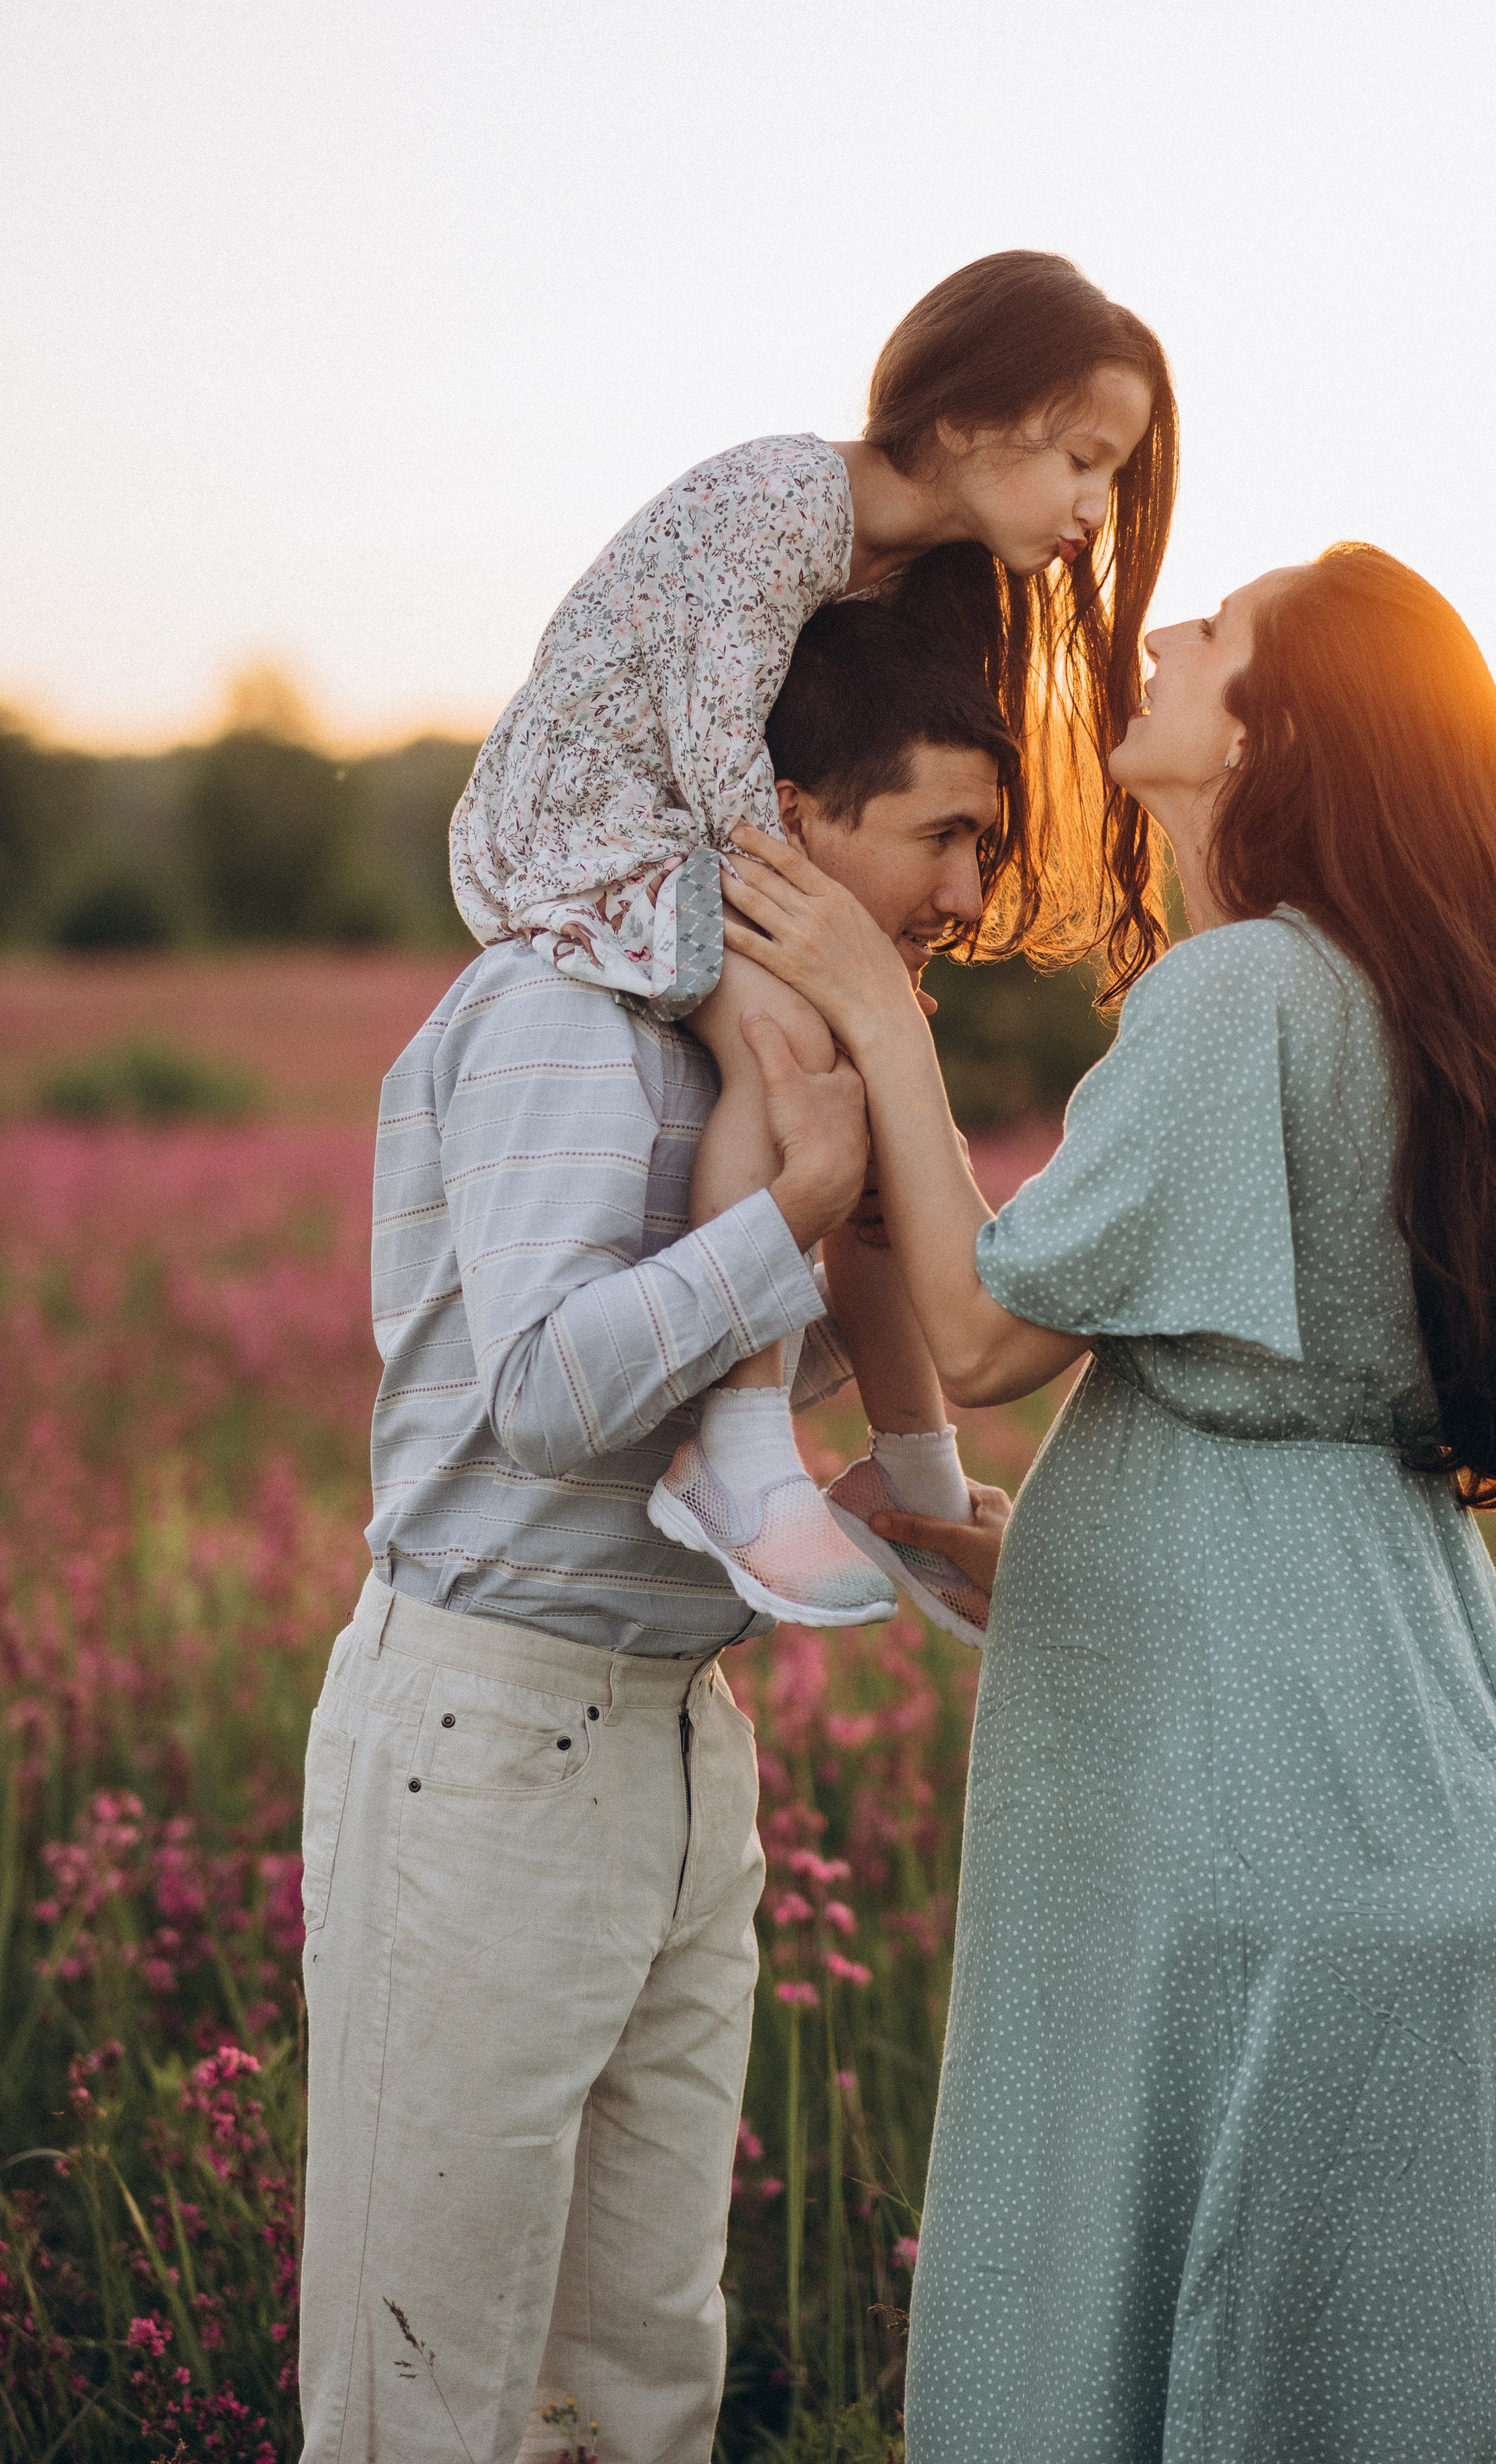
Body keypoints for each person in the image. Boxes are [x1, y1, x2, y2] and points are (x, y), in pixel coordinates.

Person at [721, 544, 1496, 2463]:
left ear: (1275, 731)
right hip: (1402, 1731)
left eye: (1216, 631)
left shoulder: (1240, 996)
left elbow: (971, 1341)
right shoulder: (1406, 994)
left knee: (1159, 2320)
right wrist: (1044, 1557)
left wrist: (878, 1012)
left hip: (1257, 1816)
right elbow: (1254, 1398)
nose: (1166, 632)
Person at [299, 599, 1018, 2464]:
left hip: (679, 1742)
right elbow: (541, 1396)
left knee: (639, 2372)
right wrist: (788, 1214)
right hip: (489, 1730)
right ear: (785, 821)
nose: (964, 886)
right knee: (429, 2381)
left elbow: (805, 1335)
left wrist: (893, 1470)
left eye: (988, 846)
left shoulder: (786, 1059)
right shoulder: (563, 1015)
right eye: (939, 833)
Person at [448, 249, 1175, 1621]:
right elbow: (725, 752)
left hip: (690, 827)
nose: (1095, 505)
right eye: (1082, 459)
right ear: (964, 422)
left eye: (1111, 477)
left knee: (880, 1089)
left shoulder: (916, 577)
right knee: (786, 1034)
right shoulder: (786, 498)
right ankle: (736, 1450)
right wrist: (825, 952)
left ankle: (918, 1474)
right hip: (588, 819)